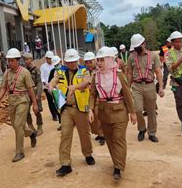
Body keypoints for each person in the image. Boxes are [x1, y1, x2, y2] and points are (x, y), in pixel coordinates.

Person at [89, 46, 136, 181]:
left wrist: (132, 112)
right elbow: (92, 94)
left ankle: (118, 167)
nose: (99, 63)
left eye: (102, 60)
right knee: (109, 139)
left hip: (119, 111)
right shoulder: (96, 76)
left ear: (110, 60)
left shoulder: (119, 74)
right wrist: (90, 110)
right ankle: (116, 162)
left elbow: (127, 94)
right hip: (103, 112)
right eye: (98, 60)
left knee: (118, 138)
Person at [49, 48, 94, 177]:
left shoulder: (84, 70)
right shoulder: (60, 71)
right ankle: (65, 163)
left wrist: (75, 87)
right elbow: (54, 80)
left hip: (80, 108)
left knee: (84, 133)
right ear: (65, 62)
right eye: (69, 62)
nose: (72, 64)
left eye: (74, 61)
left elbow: (87, 82)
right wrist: (51, 86)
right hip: (66, 109)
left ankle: (88, 154)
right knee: (65, 134)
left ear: (78, 60)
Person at [0, 48, 39, 162]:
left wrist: (35, 104)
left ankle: (19, 152)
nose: (9, 63)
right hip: (12, 101)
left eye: (12, 60)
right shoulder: (6, 73)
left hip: (23, 101)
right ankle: (31, 133)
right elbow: (3, 88)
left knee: (18, 125)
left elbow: (30, 89)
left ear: (18, 60)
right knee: (16, 125)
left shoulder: (25, 72)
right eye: (8, 60)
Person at [126, 34, 164, 142]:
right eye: (135, 48)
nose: (137, 49)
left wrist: (160, 87)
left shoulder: (153, 56)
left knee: (151, 111)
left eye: (138, 47)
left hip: (150, 85)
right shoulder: (131, 58)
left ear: (144, 44)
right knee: (138, 109)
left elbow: (158, 72)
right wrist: (127, 88)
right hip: (136, 86)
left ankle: (152, 132)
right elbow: (129, 73)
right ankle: (142, 129)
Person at [84, 52, 105, 146]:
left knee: (98, 115)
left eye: (90, 62)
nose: (88, 64)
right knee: (91, 118)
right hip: (87, 97)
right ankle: (98, 132)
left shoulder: (99, 70)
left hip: (97, 97)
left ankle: (102, 135)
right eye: (86, 62)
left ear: (94, 61)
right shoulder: (84, 71)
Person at [23, 52, 44, 136]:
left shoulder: (36, 70)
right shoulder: (24, 71)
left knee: (37, 110)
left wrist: (38, 95)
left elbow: (39, 83)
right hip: (26, 93)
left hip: (35, 91)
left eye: (27, 59)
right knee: (26, 111)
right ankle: (31, 127)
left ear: (31, 60)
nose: (25, 61)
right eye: (24, 60)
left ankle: (40, 127)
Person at [40, 51, 58, 121]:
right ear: (46, 58)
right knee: (50, 101)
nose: (50, 60)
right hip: (47, 86)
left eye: (51, 58)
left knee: (56, 100)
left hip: (55, 86)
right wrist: (46, 84)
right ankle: (54, 115)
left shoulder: (54, 65)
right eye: (49, 58)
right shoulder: (43, 67)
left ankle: (57, 112)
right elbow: (42, 77)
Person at [48, 55, 62, 130]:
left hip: (64, 92)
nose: (57, 66)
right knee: (58, 109)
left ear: (60, 62)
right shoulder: (52, 71)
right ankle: (61, 123)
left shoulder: (65, 70)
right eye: (55, 65)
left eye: (57, 64)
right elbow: (50, 82)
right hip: (56, 92)